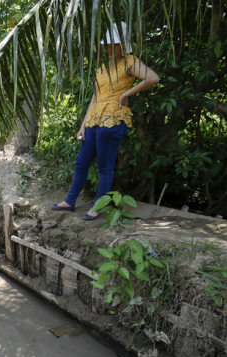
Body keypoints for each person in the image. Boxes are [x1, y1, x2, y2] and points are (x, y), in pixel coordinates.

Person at [52, 22, 159, 220]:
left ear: (124, 44)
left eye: (114, 44)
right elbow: (95, 96)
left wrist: (125, 94)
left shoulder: (130, 61)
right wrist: (83, 125)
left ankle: (97, 207)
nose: (109, 48)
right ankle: (70, 201)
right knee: (81, 163)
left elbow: (152, 77)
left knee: (105, 167)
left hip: (114, 118)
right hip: (94, 118)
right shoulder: (103, 66)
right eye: (107, 44)